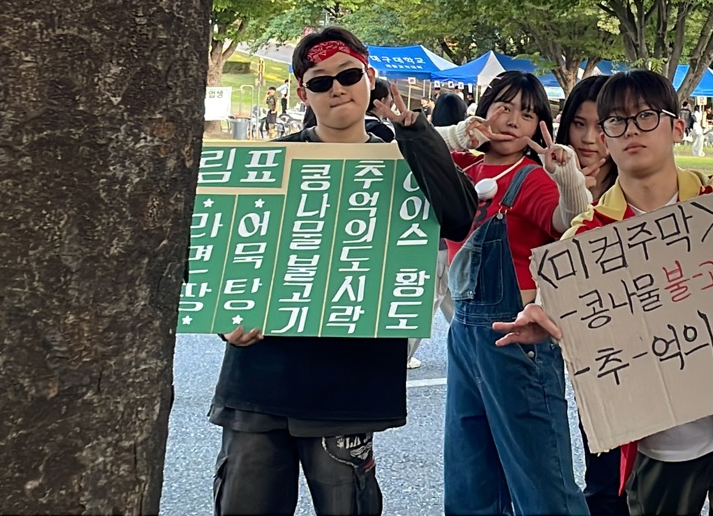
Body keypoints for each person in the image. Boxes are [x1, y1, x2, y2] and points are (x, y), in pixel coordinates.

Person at [492, 70, 713, 516]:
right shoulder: (590, 234)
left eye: (646, 116)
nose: (631, 130)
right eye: (616, 121)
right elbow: (558, 290)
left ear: (677, 127)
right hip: (658, 447)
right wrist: (541, 314)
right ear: (605, 138)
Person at [209, 27, 477, 516]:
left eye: (349, 75)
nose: (337, 89)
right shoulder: (269, 161)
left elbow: (459, 216)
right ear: (301, 93)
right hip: (260, 377)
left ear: (370, 78)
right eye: (320, 81)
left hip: (349, 382)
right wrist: (224, 319)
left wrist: (414, 132)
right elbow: (223, 249)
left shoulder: (405, 156)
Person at [436, 71, 593, 516]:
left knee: (542, 483)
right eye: (503, 107)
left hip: (518, 338)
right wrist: (457, 134)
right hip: (464, 333)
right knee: (469, 476)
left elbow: (573, 222)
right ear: (483, 109)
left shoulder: (532, 177)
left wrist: (567, 177)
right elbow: (406, 151)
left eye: (526, 114)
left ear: (538, 126)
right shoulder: (462, 167)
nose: (511, 121)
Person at [558, 76, 627, 516]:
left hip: (647, 343)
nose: (588, 139)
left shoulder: (638, 183)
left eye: (601, 126)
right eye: (578, 124)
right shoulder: (549, 177)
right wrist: (569, 186)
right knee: (603, 473)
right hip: (589, 354)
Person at [405, 93, 472, 370]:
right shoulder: (467, 157)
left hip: (426, 242)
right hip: (455, 245)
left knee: (427, 302)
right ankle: (472, 351)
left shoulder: (426, 151)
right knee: (450, 304)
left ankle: (403, 355)